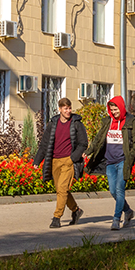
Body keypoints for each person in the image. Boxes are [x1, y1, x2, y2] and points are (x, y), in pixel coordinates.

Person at [85, 96, 135, 230]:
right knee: (113, 190)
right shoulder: (108, 122)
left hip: (123, 161)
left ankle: (116, 219)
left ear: (121, 107)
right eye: (111, 110)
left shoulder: (131, 122)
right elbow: (98, 138)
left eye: (116, 109)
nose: (114, 112)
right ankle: (128, 211)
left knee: (119, 190)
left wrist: (130, 155)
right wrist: (89, 151)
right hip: (110, 162)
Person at [33, 97, 88, 229]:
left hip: (68, 161)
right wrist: (37, 160)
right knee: (61, 190)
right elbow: (45, 144)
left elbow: (83, 143)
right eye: (65, 109)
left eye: (69, 108)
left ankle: (57, 217)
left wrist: (72, 158)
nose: (68, 111)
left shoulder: (76, 123)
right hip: (54, 161)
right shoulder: (53, 124)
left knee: (62, 189)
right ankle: (76, 211)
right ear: (60, 109)